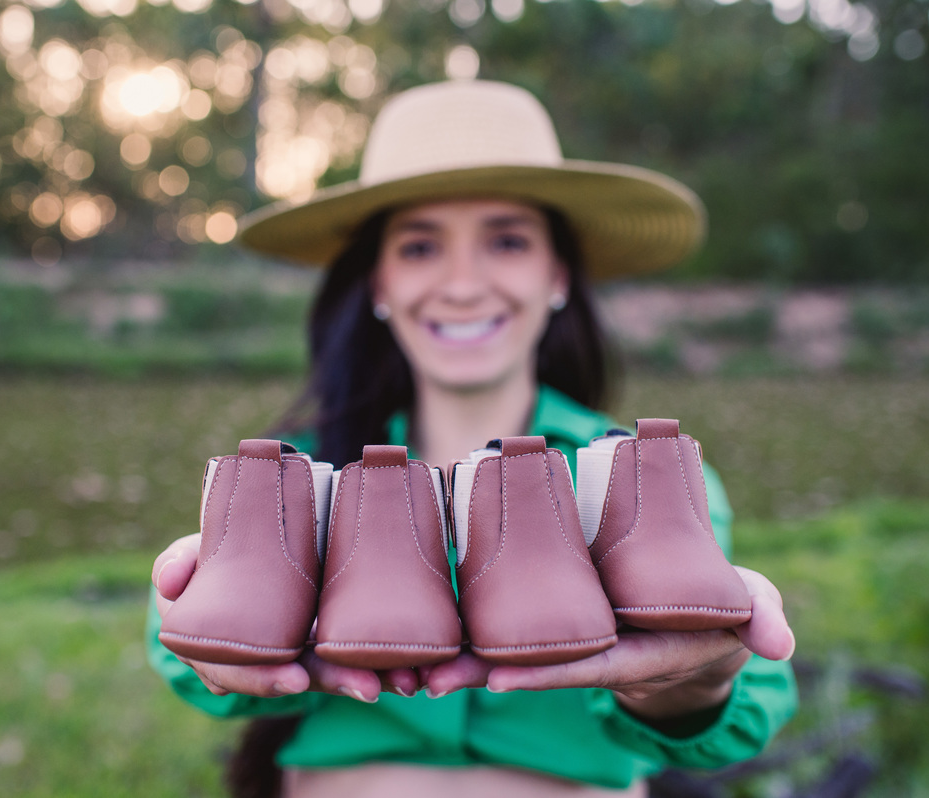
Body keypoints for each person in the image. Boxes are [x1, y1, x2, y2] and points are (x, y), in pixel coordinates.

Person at [147, 79, 798, 798]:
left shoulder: (637, 489)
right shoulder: (295, 481)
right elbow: (198, 664)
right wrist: (219, 634)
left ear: (556, 274)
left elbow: (734, 709)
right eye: (421, 247)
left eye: (507, 241)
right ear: (379, 283)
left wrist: (683, 688)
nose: (462, 284)